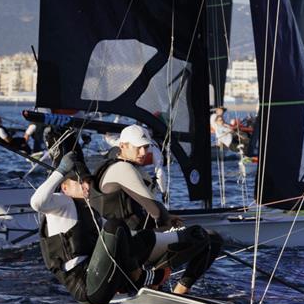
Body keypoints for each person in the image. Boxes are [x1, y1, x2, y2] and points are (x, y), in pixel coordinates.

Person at [92, 124, 222, 293]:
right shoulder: (122, 168)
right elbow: (156, 212)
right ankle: (158, 286)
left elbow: (154, 208)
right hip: (129, 246)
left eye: (146, 147)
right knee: (203, 236)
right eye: (138, 148)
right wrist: (167, 221)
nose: (143, 153)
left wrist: (168, 218)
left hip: (130, 242)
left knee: (211, 239)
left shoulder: (123, 166)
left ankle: (165, 288)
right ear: (122, 146)